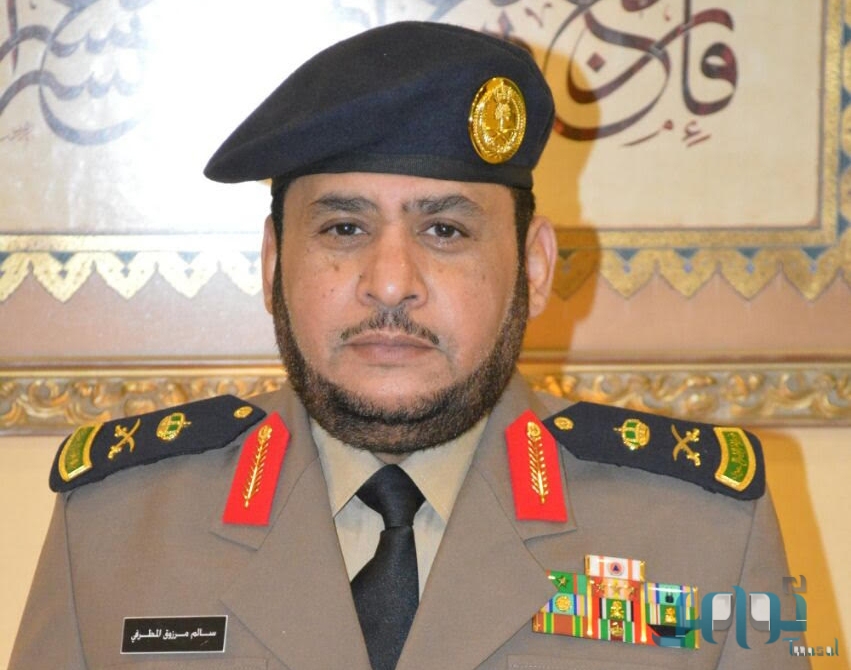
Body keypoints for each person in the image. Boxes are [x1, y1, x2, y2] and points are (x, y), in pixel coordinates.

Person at [10, 20, 803, 670]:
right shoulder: (117, 527)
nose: (390, 284)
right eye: (342, 228)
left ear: (533, 268)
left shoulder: (699, 534)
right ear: (273, 264)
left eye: (445, 230)